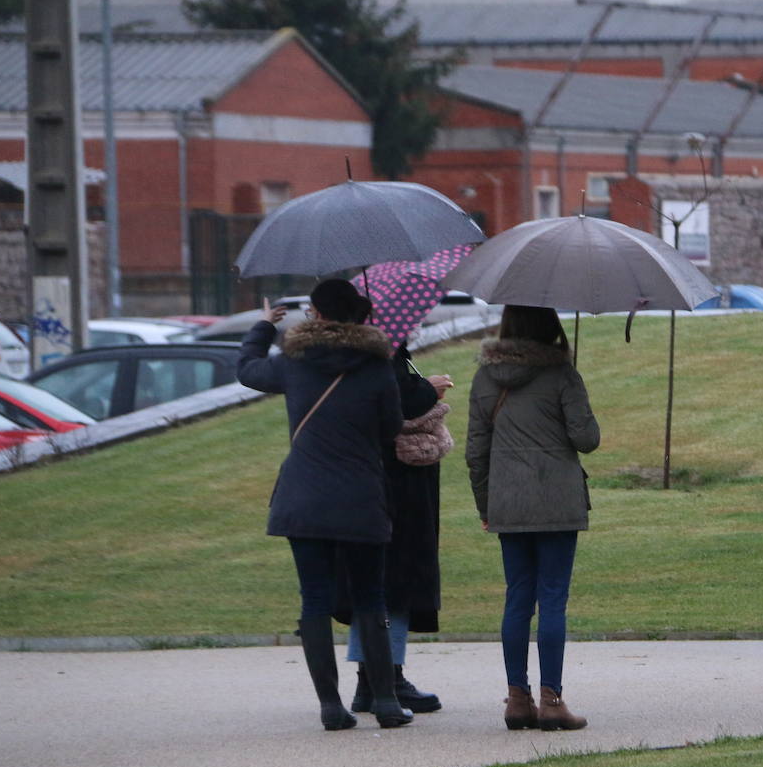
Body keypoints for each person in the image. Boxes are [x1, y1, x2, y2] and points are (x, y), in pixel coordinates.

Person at [237, 278, 413, 730]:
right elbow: (391, 428)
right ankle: (387, 703)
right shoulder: (377, 366)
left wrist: (262, 327)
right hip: (360, 497)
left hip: (305, 499)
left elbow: (248, 370)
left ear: (316, 312)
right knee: (370, 598)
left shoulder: (294, 362)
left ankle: (331, 707)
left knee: (314, 599)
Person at [465, 305, 600, 730]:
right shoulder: (562, 375)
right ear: (551, 327)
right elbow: (587, 439)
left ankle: (517, 699)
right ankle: (553, 700)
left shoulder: (486, 377)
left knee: (518, 597)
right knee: (553, 598)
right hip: (557, 501)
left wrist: (486, 506)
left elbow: (475, 451)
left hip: (509, 502)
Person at [343, 345, 453, 715]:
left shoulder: (357, 353)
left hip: (368, 482)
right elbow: (395, 404)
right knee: (397, 583)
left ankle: (367, 679)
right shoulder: (381, 353)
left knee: (373, 585)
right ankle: (387, 677)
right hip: (398, 485)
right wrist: (428, 389)